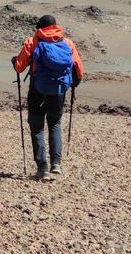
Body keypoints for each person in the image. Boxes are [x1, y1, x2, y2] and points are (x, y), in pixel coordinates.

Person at [13, 14, 84, 181]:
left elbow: (19, 67)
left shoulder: (33, 42)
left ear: (39, 27)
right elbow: (78, 70)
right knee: (55, 124)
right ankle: (56, 165)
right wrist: (74, 84)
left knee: (37, 127)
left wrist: (15, 61)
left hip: (37, 91)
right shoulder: (67, 43)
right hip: (59, 90)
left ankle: (42, 168)